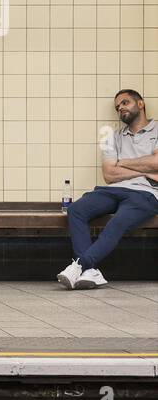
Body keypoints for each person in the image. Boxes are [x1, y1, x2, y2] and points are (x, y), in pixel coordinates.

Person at [58, 90, 158, 289]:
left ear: (140, 104)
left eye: (125, 102)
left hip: (146, 193)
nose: (120, 108)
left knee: (117, 222)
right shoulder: (112, 136)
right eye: (117, 107)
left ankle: (81, 266)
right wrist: (144, 169)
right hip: (113, 190)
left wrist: (122, 162)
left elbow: (157, 163)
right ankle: (90, 272)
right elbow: (109, 174)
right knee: (77, 210)